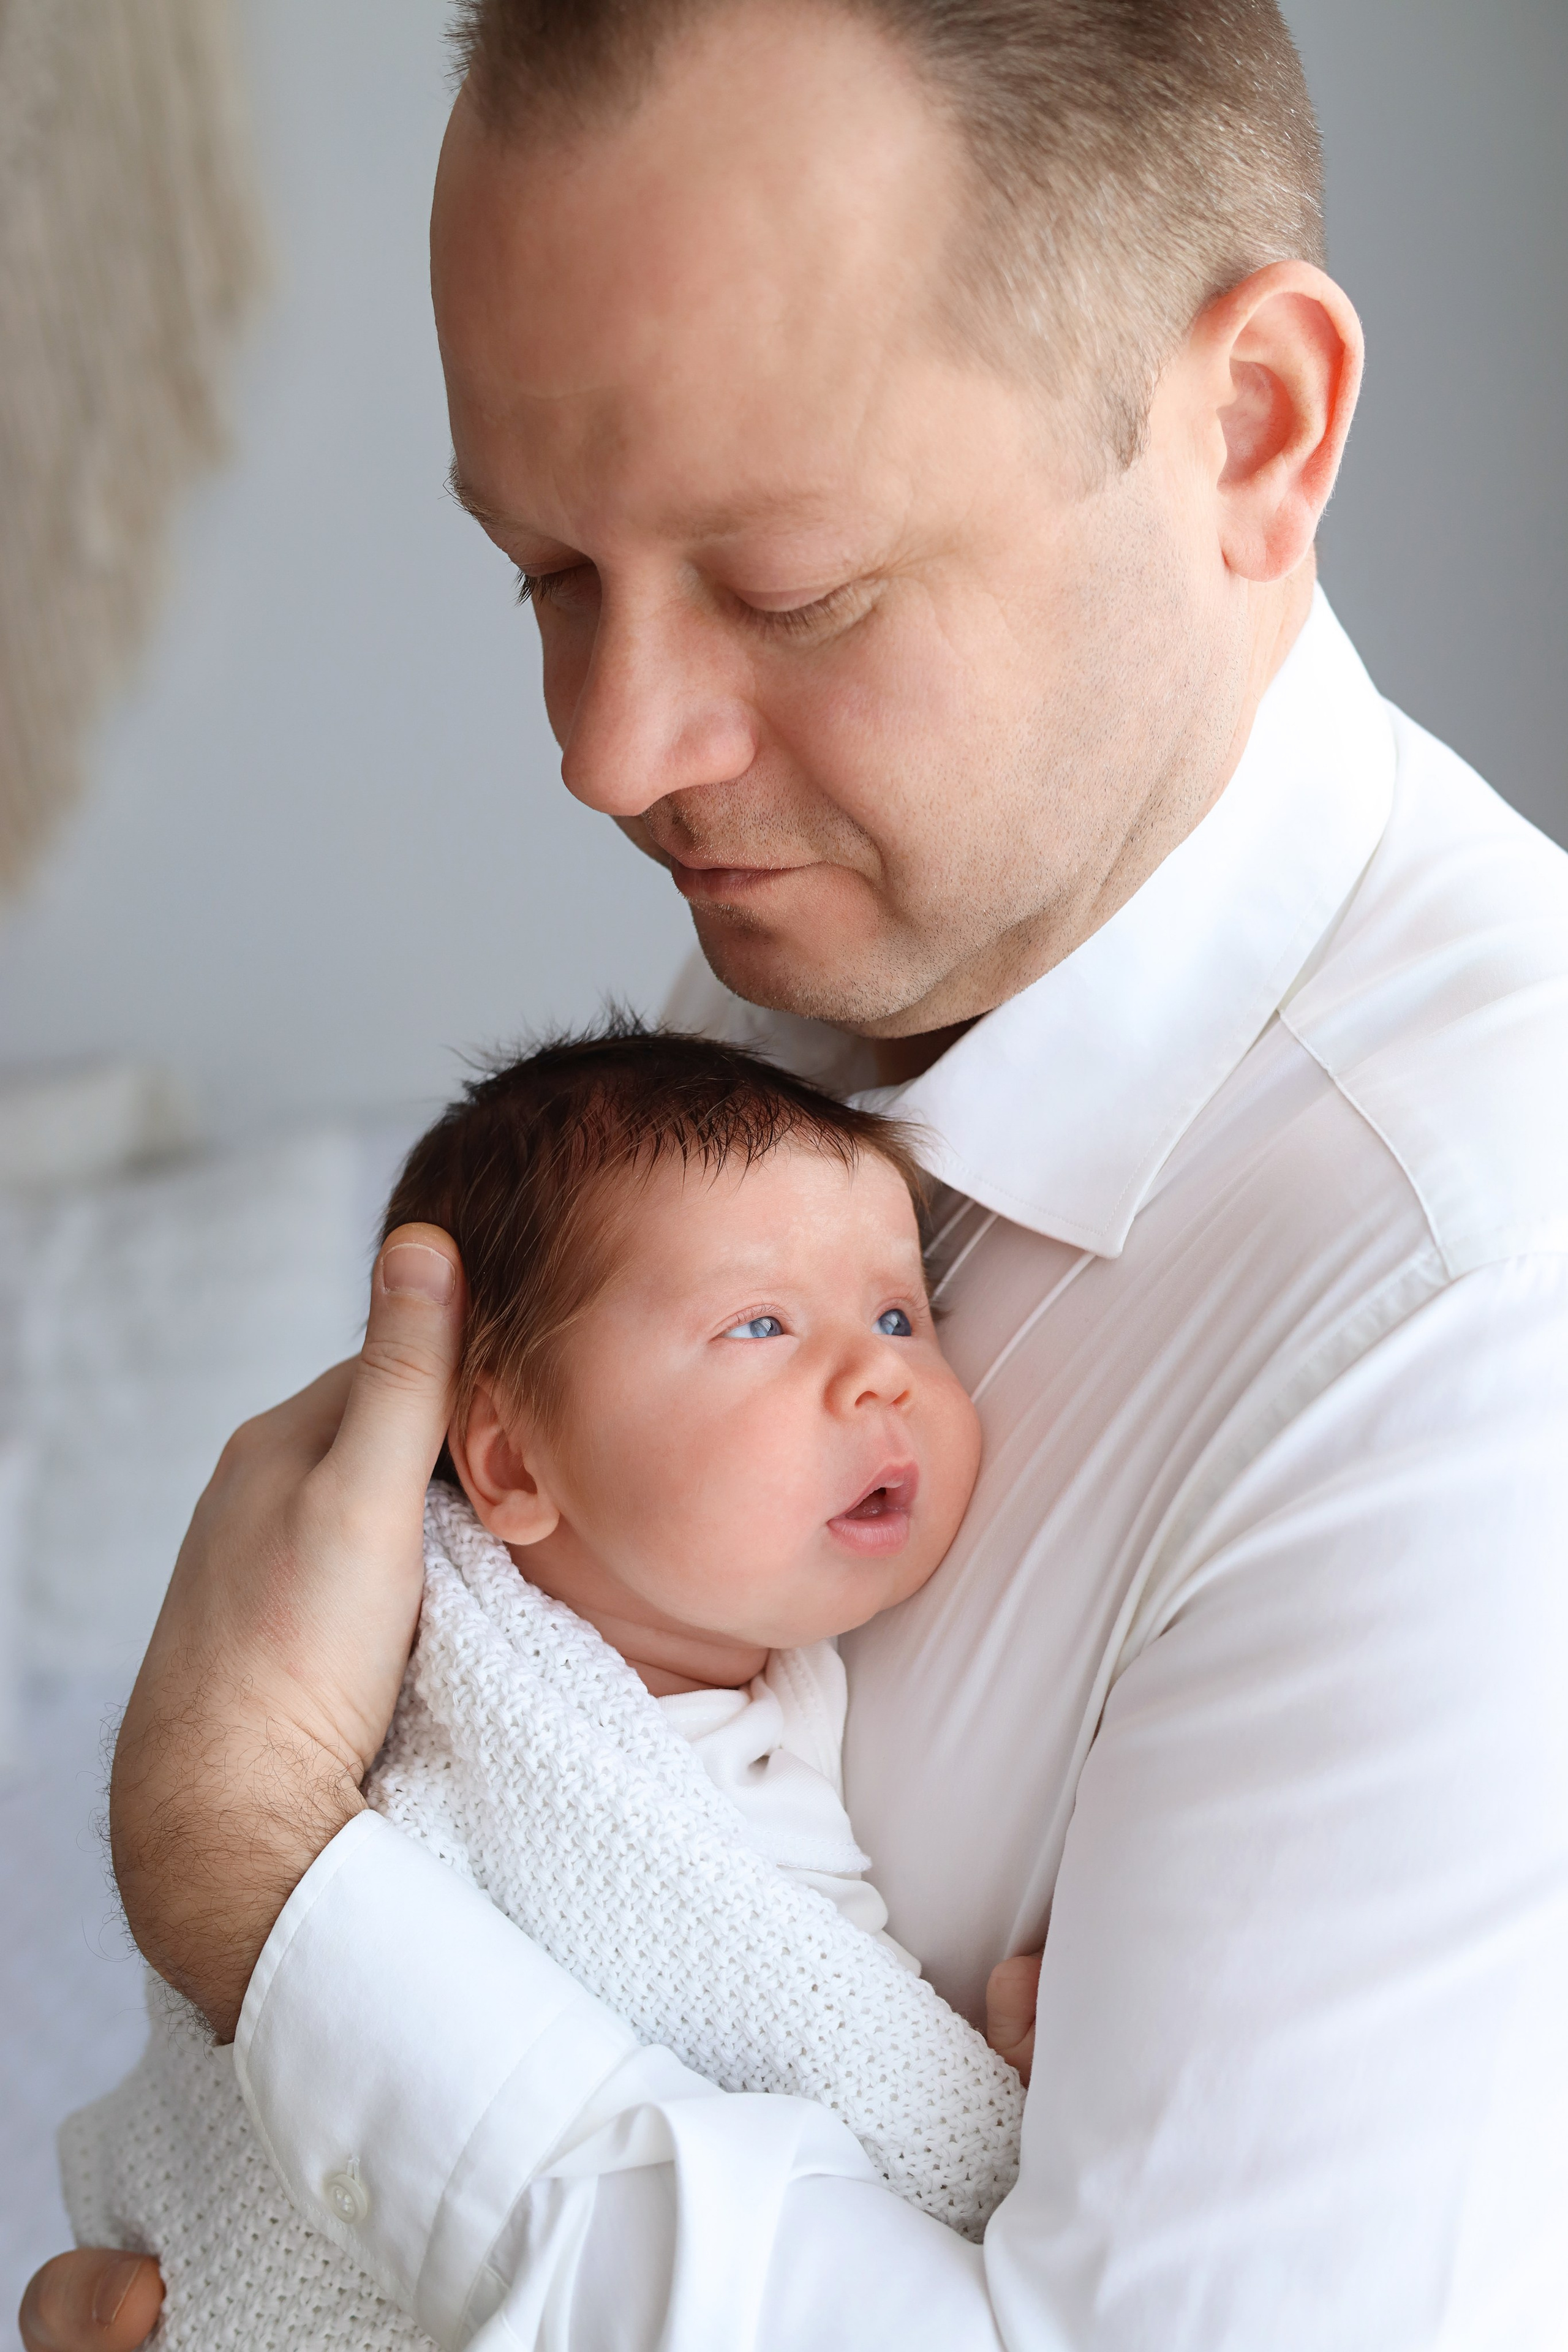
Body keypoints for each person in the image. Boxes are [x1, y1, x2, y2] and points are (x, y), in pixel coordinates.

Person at [21, 0, 1568, 2346]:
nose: (608, 750)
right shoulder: (826, 968)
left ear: (1254, 430)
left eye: (789, 589)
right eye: (547, 572)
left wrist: (260, 1882)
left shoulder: (1474, 1314)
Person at [59, 1030, 1038, 2348]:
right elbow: (826, 2077)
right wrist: (1006, 2146)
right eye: (759, 1324)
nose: (881, 1374)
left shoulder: (783, 1681)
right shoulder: (502, 1741)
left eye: (899, 1314)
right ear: (514, 1466)